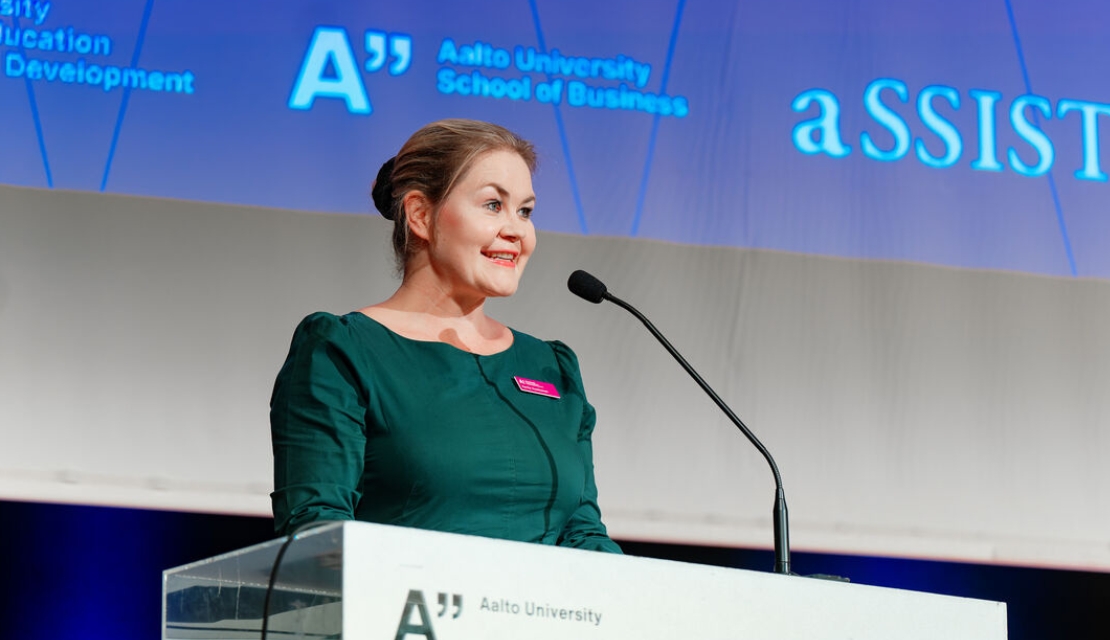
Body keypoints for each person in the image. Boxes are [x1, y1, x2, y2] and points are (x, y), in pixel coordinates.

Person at [270, 119, 621, 553]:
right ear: (420, 214)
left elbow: (584, 534)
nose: (516, 230)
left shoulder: (551, 366)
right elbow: (315, 533)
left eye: (525, 211)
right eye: (493, 205)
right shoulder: (343, 351)